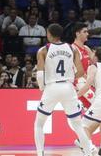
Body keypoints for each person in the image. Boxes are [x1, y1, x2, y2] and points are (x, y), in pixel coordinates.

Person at [34, 23, 93, 156]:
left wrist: (42, 88)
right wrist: (69, 78)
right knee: (78, 126)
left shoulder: (44, 50)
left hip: (52, 87)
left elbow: (39, 74)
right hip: (68, 87)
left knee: (39, 124)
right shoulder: (72, 49)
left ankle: (40, 154)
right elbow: (81, 71)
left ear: (49, 34)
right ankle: (89, 153)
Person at [71, 22, 101, 156]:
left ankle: (91, 143)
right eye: (85, 31)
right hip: (80, 84)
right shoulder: (72, 49)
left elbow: (98, 65)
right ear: (77, 33)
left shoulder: (86, 48)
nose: (87, 34)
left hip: (88, 84)